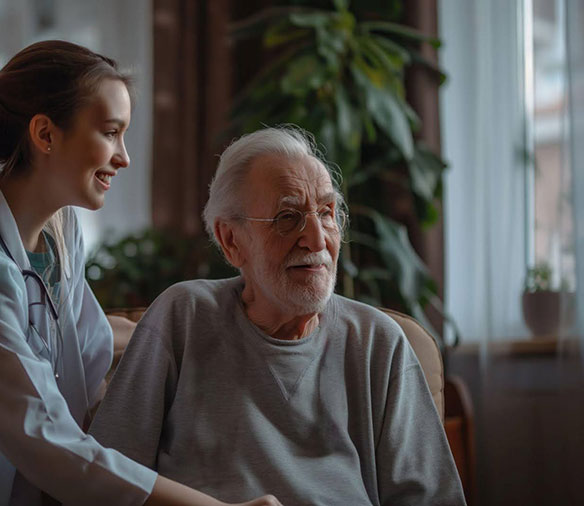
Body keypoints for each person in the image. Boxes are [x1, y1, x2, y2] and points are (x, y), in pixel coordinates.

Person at [0, 41, 281, 506]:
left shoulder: (59, 234)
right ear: (45, 134)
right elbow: (47, 440)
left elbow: (89, 342)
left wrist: (217, 327)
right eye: (110, 132)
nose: (124, 157)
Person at [90, 126, 467, 506]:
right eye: (288, 217)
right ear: (231, 241)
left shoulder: (378, 343)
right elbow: (107, 477)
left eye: (327, 213)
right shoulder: (184, 316)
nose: (317, 240)